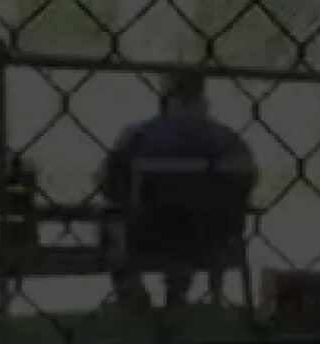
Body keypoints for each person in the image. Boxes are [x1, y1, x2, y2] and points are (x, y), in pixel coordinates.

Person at [98, 69, 257, 309]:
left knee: (111, 218)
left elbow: (109, 184)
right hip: (215, 236)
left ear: (167, 99)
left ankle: (132, 294)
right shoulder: (231, 141)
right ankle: (178, 292)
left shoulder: (139, 136)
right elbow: (248, 185)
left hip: (149, 233)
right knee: (192, 207)